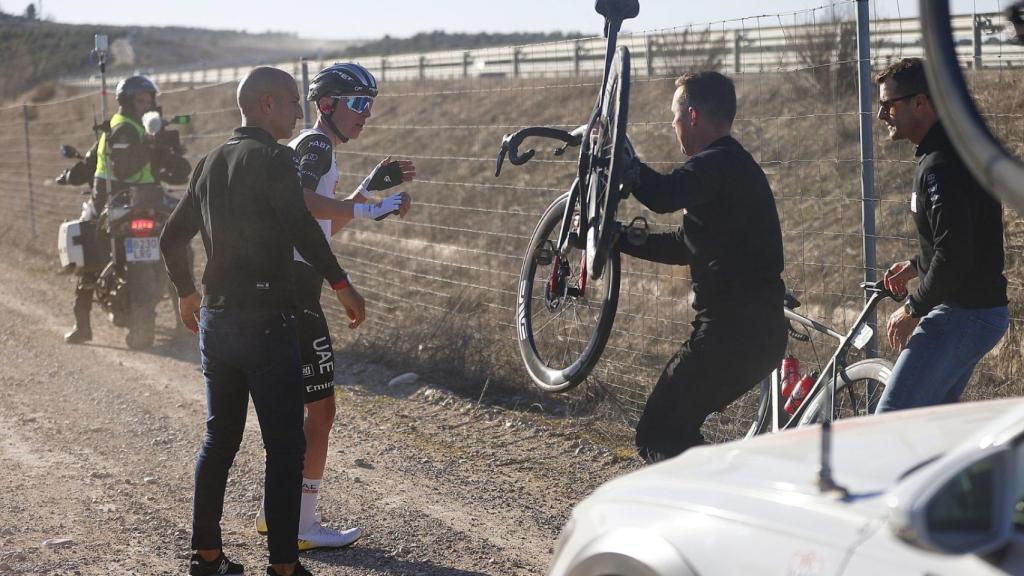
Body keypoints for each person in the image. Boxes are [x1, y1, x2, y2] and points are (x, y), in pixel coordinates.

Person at [160, 66, 366, 576]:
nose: (300, 112)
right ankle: (283, 567)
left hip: (217, 320)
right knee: (284, 444)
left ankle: (206, 558)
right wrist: (341, 284)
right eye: (294, 102)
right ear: (267, 104)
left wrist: (187, 293)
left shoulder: (208, 162)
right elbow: (301, 224)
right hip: (269, 319)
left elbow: (171, 237)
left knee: (219, 440)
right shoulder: (275, 158)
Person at [252, 62, 414, 550]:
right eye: (358, 104)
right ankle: (300, 527)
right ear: (326, 106)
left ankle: (275, 514)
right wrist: (368, 207)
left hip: (293, 289)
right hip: (297, 295)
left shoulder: (319, 150)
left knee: (302, 413)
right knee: (320, 413)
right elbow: (299, 203)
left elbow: (321, 227)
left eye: (371, 105)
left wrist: (366, 191)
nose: (366, 115)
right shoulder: (316, 144)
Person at [618, 71, 787, 463]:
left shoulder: (713, 164)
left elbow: (661, 195)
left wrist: (627, 166)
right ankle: (725, 497)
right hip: (759, 337)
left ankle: (726, 500)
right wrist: (618, 238)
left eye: (675, 116)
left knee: (656, 433)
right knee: (678, 430)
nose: (672, 125)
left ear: (693, 116)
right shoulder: (732, 166)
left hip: (728, 335)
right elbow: (685, 246)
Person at [874, 58, 1008, 413]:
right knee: (929, 421)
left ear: (920, 102)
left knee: (891, 418)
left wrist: (912, 308)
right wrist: (916, 264)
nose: (881, 115)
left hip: (965, 311)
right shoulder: (947, 153)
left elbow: (955, 254)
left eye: (888, 104)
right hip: (975, 309)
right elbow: (961, 236)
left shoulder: (941, 165)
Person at [64, 75, 160, 344]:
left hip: (119, 203)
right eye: (141, 100)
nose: (146, 105)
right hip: (122, 201)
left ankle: (82, 327)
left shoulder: (127, 128)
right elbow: (117, 165)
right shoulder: (125, 128)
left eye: (149, 100)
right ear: (127, 102)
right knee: (90, 257)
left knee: (88, 259)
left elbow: (92, 161)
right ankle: (83, 325)